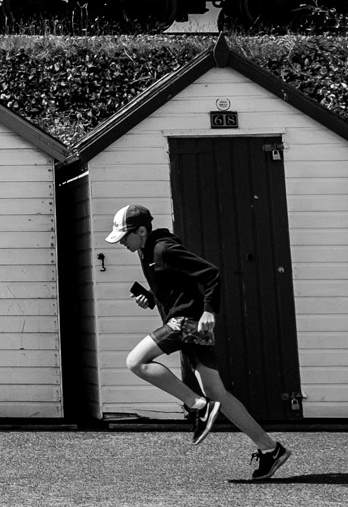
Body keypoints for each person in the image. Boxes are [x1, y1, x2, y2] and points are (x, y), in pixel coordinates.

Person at [109, 203, 292, 483]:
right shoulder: (147, 250)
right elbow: (175, 286)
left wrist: (209, 311)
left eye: (124, 236)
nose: (121, 242)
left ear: (142, 230)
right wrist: (150, 297)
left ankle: (196, 406)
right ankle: (270, 448)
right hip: (188, 321)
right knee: (217, 392)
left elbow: (211, 274)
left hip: (188, 322)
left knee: (136, 361)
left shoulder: (163, 249)